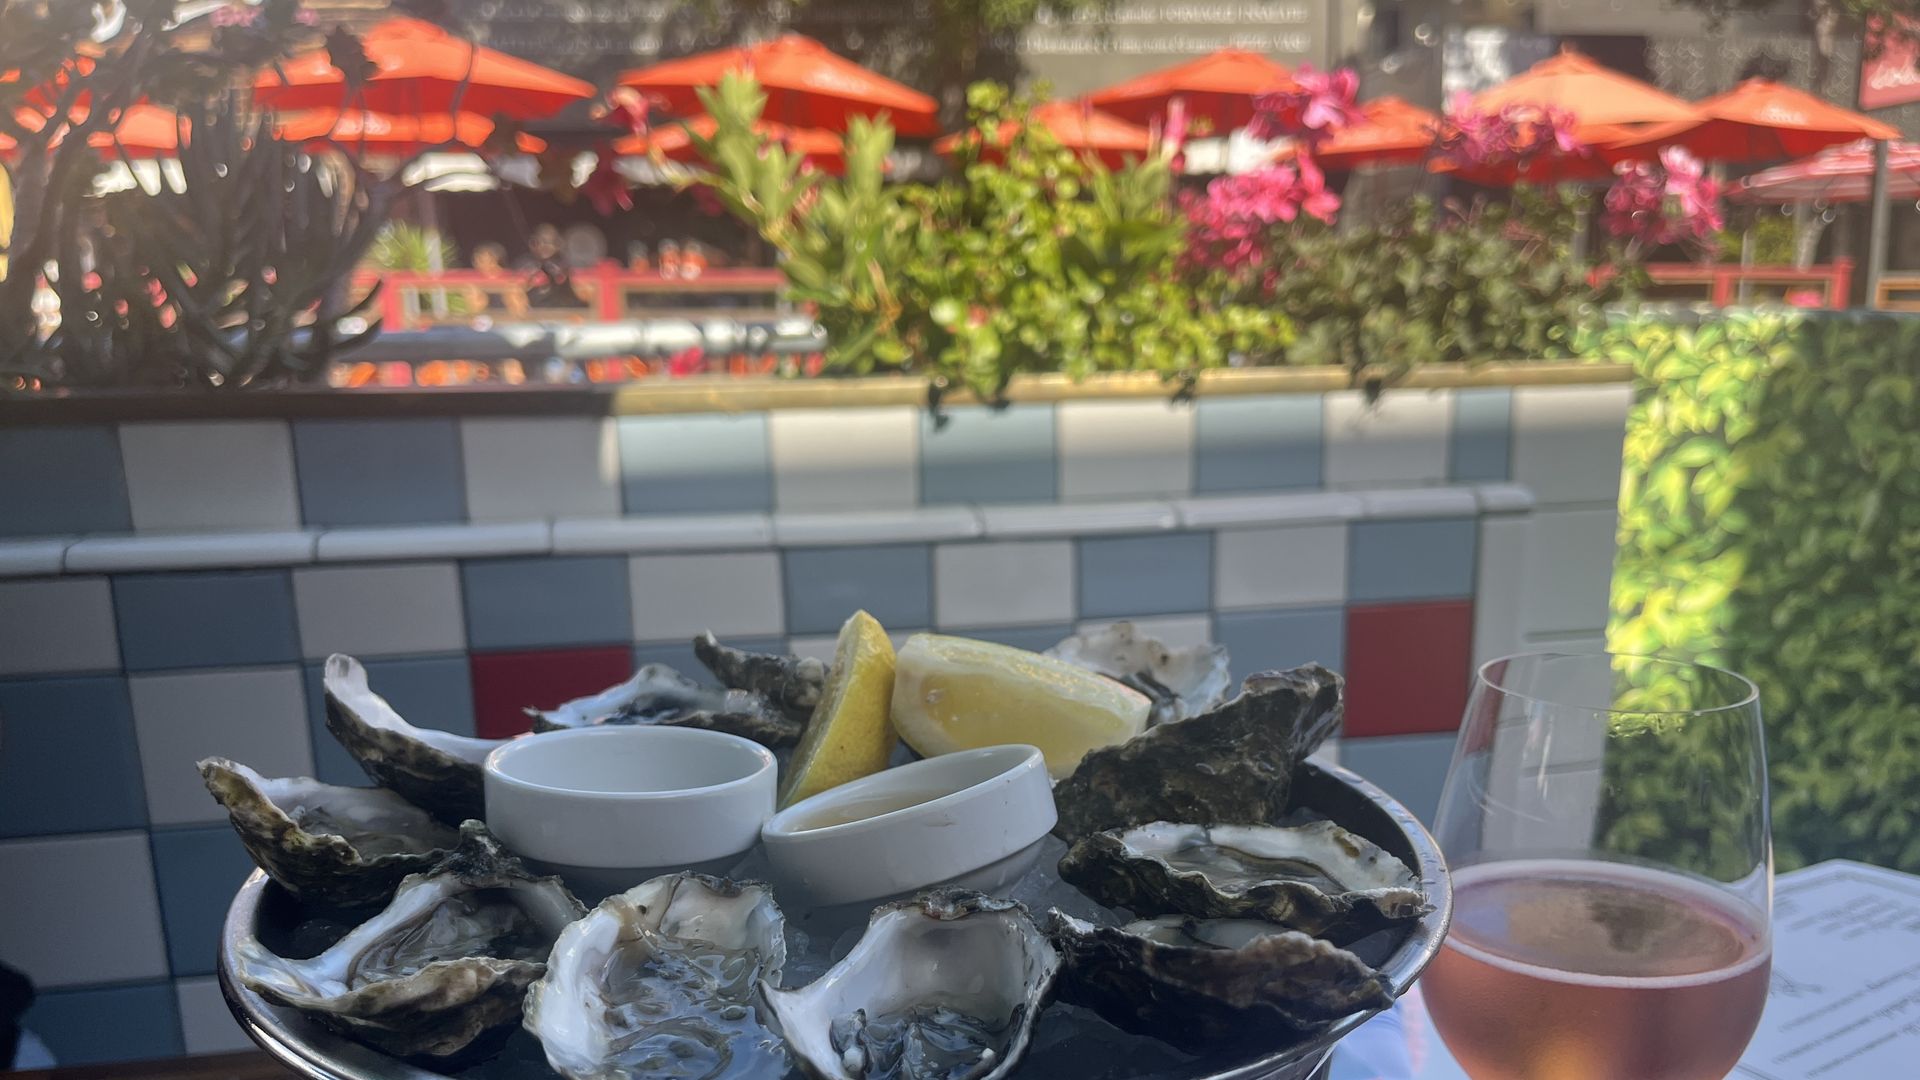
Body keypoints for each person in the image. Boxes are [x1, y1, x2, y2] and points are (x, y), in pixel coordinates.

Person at [516, 224, 587, 309]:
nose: (546, 246)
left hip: (559, 314)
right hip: (532, 314)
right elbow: (514, 290)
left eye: (551, 242)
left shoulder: (565, 265)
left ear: (559, 245)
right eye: (541, 241)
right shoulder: (523, 263)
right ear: (533, 243)